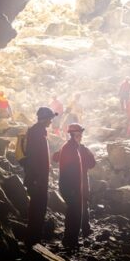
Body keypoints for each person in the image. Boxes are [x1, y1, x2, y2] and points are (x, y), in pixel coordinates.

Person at [53, 123, 96, 248]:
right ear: (73, 134)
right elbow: (90, 164)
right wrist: (71, 189)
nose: (81, 136)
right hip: (74, 186)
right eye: (79, 134)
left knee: (76, 211)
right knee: (75, 212)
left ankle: (73, 238)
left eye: (81, 134)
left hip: (76, 185)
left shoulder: (71, 147)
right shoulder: (72, 148)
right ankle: (71, 240)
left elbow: (55, 158)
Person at [22, 106, 57, 245]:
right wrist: (37, 179)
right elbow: (34, 158)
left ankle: (33, 238)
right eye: (50, 119)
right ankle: (33, 240)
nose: (51, 122)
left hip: (38, 178)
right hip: (37, 180)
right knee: (38, 208)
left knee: (37, 207)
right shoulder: (37, 133)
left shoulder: (38, 132)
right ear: (44, 119)